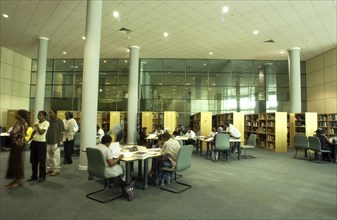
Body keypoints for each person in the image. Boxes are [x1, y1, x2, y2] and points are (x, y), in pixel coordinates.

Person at [5, 109, 29, 189]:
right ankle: (15, 179)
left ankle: (18, 180)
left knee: (17, 163)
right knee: (13, 162)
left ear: (20, 115)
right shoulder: (18, 122)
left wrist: (11, 134)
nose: (15, 114)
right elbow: (12, 132)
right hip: (14, 145)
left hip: (19, 145)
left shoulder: (23, 123)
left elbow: (14, 133)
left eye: (17, 113)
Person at [28, 111, 50, 183]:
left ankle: (42, 176)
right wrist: (28, 140)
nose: (38, 117)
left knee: (41, 160)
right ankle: (34, 176)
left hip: (42, 143)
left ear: (44, 116)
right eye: (38, 115)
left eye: (40, 115)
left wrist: (37, 126)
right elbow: (33, 132)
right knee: (34, 160)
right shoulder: (36, 122)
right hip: (34, 142)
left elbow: (41, 133)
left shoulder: (46, 123)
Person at [46, 110, 64, 176]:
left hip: (56, 141)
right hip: (47, 141)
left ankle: (56, 169)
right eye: (49, 113)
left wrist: (60, 141)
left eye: (51, 112)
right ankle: (49, 169)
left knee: (56, 156)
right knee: (48, 156)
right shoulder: (47, 121)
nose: (49, 114)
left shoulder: (59, 121)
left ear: (55, 113)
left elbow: (61, 132)